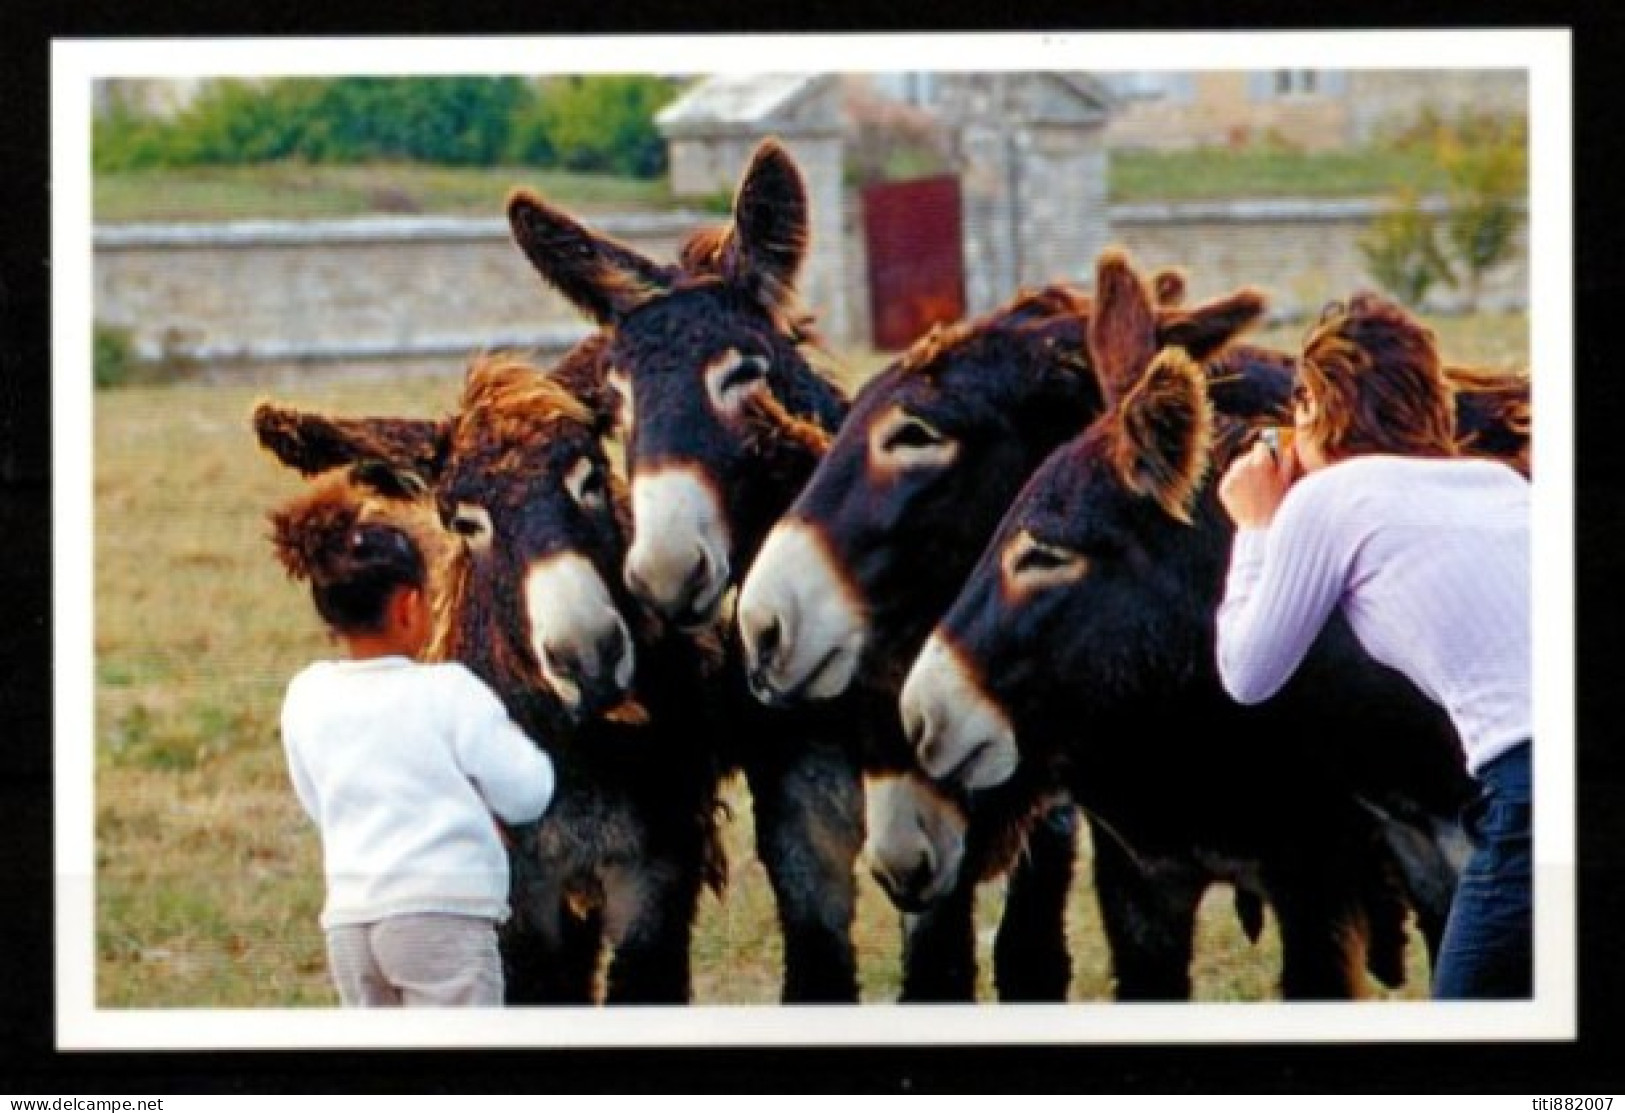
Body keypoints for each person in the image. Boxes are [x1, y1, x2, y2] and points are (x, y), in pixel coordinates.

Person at [1214, 292, 1532, 999]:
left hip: (1533, 790)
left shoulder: (1327, 501)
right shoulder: (1499, 483)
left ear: (1312, 407)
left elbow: (1246, 673)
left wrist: (1255, 524)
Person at [269, 479, 556, 1007]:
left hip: (351, 923)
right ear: (409, 607)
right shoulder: (449, 690)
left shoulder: (307, 693)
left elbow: (320, 801)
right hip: (444, 917)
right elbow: (528, 791)